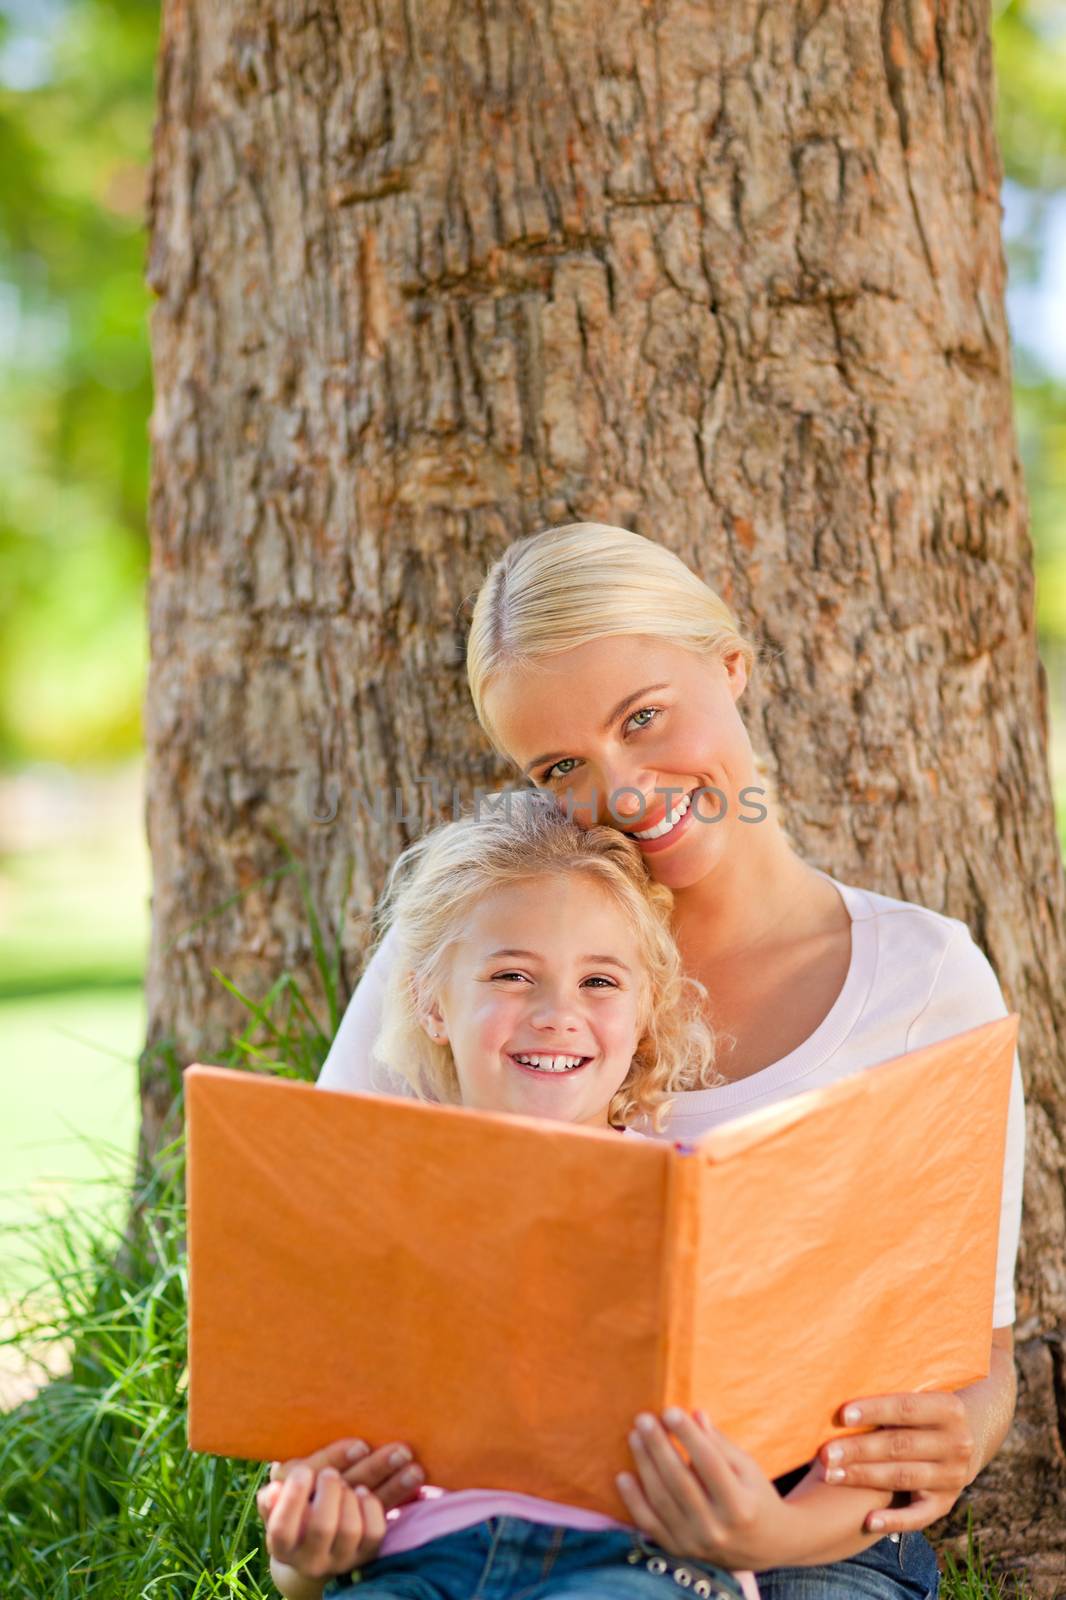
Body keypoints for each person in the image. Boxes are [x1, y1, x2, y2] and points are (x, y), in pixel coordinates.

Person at [305, 523, 1024, 1600]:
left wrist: (939, 1448)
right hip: (511, 1498)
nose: (628, 791)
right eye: (563, 766)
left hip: (812, 1508)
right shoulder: (469, 965)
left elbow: (979, 1358)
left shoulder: (921, 977)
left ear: (729, 663)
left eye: (643, 716)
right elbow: (330, 1282)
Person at [260, 787, 897, 1600]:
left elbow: (828, 1413)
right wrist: (305, 1553)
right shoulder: (377, 1204)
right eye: (513, 975)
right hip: (421, 1562)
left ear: (644, 1016)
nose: (558, 1014)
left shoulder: (706, 1201)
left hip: (640, 1564)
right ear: (431, 1001)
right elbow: (298, 1534)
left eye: (600, 981)